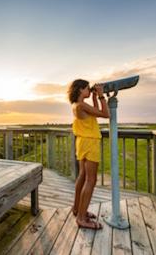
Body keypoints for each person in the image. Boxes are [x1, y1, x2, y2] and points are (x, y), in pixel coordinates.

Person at [68, 79, 110, 229]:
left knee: (83, 176)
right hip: (90, 142)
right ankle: (81, 218)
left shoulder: (76, 105)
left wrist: (94, 98)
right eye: (87, 88)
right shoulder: (81, 105)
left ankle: (77, 209)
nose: (88, 90)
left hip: (82, 142)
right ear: (80, 90)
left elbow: (95, 114)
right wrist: (101, 95)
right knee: (91, 180)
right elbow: (106, 114)